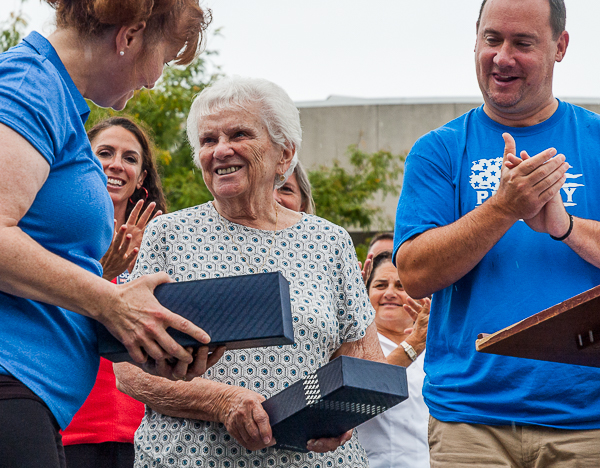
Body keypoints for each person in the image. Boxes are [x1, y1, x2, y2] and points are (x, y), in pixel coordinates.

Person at [114, 76, 386, 468]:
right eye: (208, 141)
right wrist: (221, 401)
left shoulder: (329, 242)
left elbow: (364, 359)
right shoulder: (169, 235)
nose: (221, 150)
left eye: (239, 134)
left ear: (284, 153)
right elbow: (129, 369)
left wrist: (343, 412)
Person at [0, 2, 221, 466]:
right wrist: (112, 302)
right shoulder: (27, 85)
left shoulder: (57, 100)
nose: (155, 78)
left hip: (33, 399)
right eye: (164, 56)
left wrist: (143, 336)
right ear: (130, 37)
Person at [394, 0, 600, 466]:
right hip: (470, 424)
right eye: (492, 39)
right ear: (475, 39)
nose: (502, 56)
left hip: (588, 421)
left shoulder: (596, 140)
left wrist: (563, 225)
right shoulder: (438, 149)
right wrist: (504, 207)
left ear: (560, 47)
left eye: (522, 43)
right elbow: (414, 273)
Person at [61, 117, 167, 468]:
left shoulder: (166, 247)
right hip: (70, 425)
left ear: (143, 177)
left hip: (145, 432)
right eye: (105, 152)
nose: (116, 164)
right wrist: (101, 276)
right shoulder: (53, 236)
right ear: (84, 161)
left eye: (131, 158)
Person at [357, 250, 430, 468]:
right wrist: (414, 344)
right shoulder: (355, 344)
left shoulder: (437, 346)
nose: (390, 293)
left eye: (401, 286)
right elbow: (360, 392)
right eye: (380, 285)